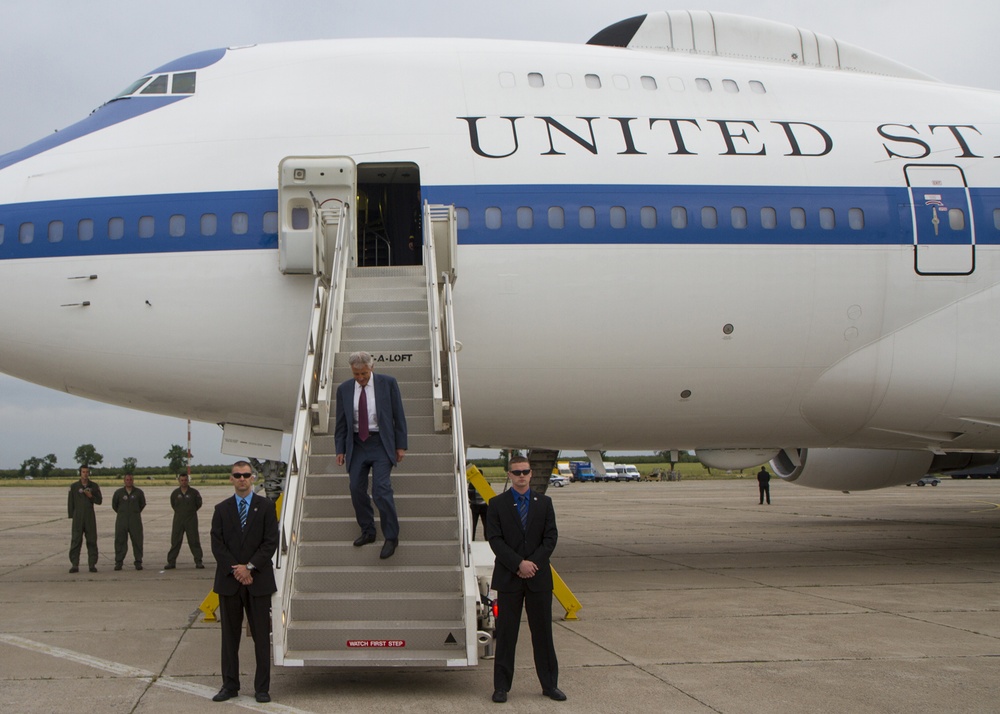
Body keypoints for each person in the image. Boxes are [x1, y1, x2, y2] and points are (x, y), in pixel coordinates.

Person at [486, 456, 565, 704]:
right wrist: (518, 563)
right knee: (507, 635)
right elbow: (495, 539)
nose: (521, 476)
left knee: (543, 634)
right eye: (516, 472)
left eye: (525, 472)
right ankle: (501, 687)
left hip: (538, 578)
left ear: (531, 474)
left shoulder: (545, 503)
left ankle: (550, 685)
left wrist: (532, 564)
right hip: (510, 578)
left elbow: (550, 538)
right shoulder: (497, 503)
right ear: (509, 475)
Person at [210, 461, 279, 704]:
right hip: (230, 582)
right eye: (237, 475)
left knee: (261, 637)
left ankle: (262, 688)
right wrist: (237, 570)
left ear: (253, 478)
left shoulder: (266, 507)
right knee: (229, 638)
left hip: (257, 580)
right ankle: (229, 685)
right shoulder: (221, 509)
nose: (242, 479)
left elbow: (271, 542)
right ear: (231, 479)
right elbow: (217, 545)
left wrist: (249, 567)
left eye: (246, 475)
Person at [334, 351, 407, 560]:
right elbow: (341, 423)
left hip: (381, 443)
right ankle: (368, 530)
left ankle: (391, 536)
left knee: (381, 490)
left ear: (371, 368)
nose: (360, 378)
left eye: (364, 373)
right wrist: (340, 449)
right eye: (356, 374)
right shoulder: (344, 389)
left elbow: (398, 415)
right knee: (356, 488)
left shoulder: (388, 383)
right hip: (356, 444)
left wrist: (401, 445)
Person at [68, 465, 103, 573]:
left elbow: (99, 501)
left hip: (89, 517)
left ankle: (92, 564)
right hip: (78, 517)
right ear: (80, 473)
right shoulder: (74, 486)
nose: (85, 474)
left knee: (92, 540)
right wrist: (71, 515)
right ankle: (74, 564)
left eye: (87, 472)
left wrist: (91, 496)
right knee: (76, 541)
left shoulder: (94, 486)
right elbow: (70, 502)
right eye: (83, 472)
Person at [165, 473, 204, 569]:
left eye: (185, 480)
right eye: (182, 480)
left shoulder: (194, 493)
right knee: (175, 541)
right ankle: (171, 562)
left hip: (191, 519)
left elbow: (198, 504)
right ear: (179, 481)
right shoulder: (175, 493)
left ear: (188, 480)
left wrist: (190, 511)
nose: (184, 482)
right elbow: (173, 504)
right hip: (178, 520)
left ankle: (198, 561)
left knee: (194, 540)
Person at [111, 473, 146, 571]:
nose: (129, 481)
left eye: (130, 479)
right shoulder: (118, 493)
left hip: (135, 520)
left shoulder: (138, 492)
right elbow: (114, 505)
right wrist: (123, 513)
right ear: (124, 480)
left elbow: (142, 504)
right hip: (122, 520)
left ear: (133, 480)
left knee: (137, 541)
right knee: (120, 541)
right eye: (127, 479)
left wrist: (134, 512)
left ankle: (138, 561)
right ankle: (119, 562)